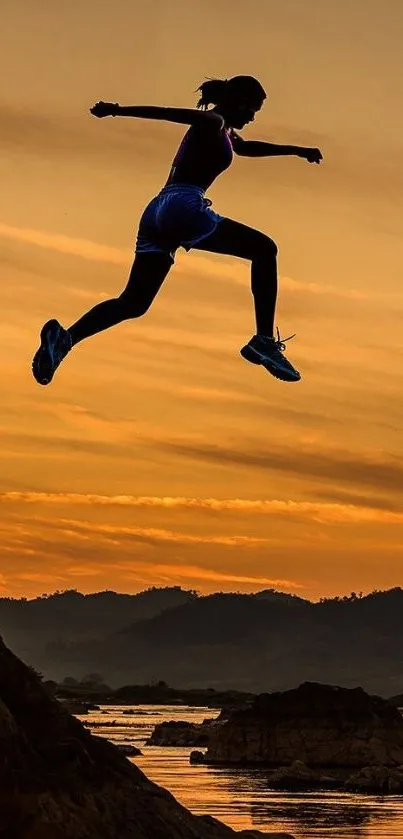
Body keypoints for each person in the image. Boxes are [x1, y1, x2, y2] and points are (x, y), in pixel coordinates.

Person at [32, 75, 322, 386]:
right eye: (253, 110)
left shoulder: (225, 131)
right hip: (183, 204)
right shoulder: (213, 120)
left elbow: (247, 148)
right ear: (239, 102)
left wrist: (297, 149)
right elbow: (168, 112)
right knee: (265, 249)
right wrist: (117, 110)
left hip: (157, 210)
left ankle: (66, 339)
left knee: (133, 302)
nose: (253, 117)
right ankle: (263, 340)